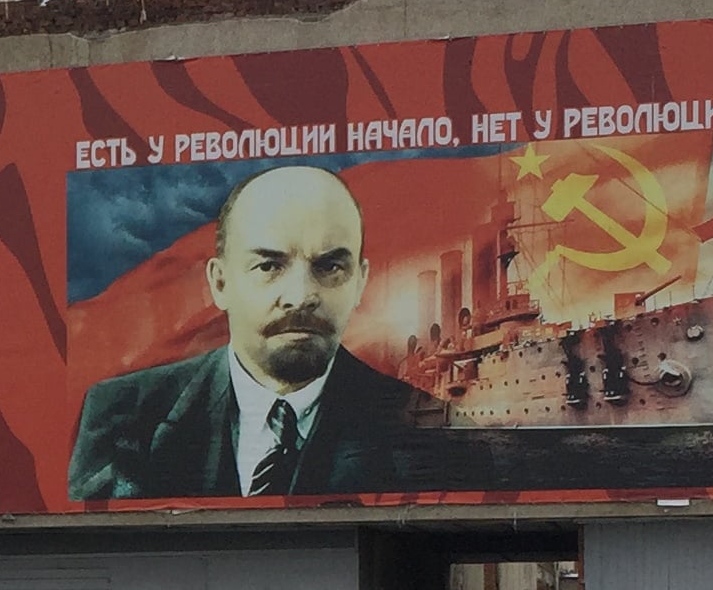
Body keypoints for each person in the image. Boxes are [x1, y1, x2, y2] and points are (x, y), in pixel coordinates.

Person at [67, 164, 441, 500]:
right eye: (268, 266)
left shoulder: (425, 428)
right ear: (220, 283)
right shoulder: (122, 418)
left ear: (360, 282)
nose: (300, 297)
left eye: (329, 267)